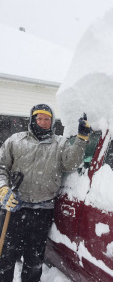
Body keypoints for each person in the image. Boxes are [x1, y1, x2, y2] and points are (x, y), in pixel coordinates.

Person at [0, 103, 91, 282]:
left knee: (34, 258)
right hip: (14, 208)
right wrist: (3, 188)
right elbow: (1, 167)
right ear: (32, 119)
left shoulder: (60, 143)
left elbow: (70, 164)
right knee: (6, 256)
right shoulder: (15, 141)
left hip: (42, 211)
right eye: (39, 118)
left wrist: (81, 139)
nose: (42, 122)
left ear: (52, 122)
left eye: (47, 119)